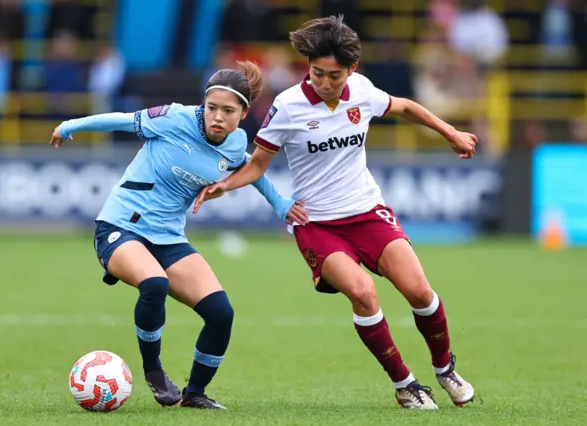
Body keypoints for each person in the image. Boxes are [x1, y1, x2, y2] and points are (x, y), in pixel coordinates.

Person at [193, 16, 476, 409]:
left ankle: (445, 369)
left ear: (352, 70)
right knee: (363, 293)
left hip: (367, 212)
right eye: (316, 73)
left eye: (334, 75)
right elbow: (258, 164)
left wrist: (452, 134)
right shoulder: (288, 105)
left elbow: (405, 106)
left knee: (419, 291)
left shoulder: (361, 90)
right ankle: (405, 384)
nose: (324, 82)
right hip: (317, 224)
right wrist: (224, 185)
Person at [49, 61, 308, 410]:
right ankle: (154, 370)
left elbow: (252, 167)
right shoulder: (173, 118)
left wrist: (280, 204)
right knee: (154, 283)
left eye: (227, 111)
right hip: (120, 226)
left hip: (168, 238)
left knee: (221, 312)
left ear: (244, 113)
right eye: (211, 107)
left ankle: (195, 394)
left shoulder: (235, 143)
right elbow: (124, 119)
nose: (216, 117)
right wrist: (71, 125)